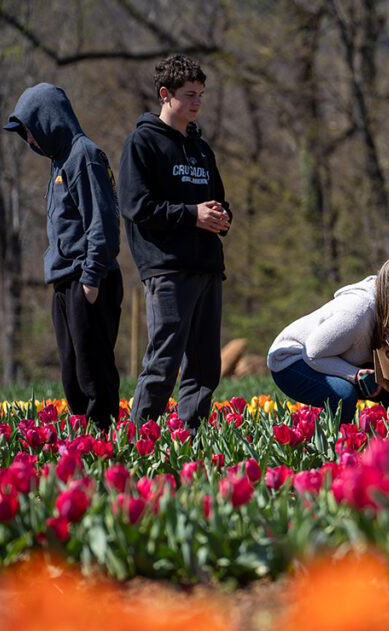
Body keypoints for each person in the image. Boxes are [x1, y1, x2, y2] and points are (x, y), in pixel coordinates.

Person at [119, 54, 232, 431]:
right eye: (189, 95)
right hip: (167, 268)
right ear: (165, 95)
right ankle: (139, 437)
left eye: (201, 94)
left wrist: (221, 217)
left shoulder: (201, 149)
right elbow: (137, 206)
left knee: (204, 365)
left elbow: (217, 198)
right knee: (164, 360)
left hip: (207, 267)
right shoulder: (142, 144)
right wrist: (192, 215)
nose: (197, 102)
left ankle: (191, 437)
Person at [3, 83, 124, 432]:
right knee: (72, 372)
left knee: (93, 371)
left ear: (48, 120)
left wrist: (91, 278)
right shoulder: (59, 163)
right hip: (65, 279)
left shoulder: (83, 156)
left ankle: (105, 440)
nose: (29, 141)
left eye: (30, 130)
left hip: (87, 279)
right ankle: (85, 441)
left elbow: (103, 222)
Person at [267, 256, 389, 424]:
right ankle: (333, 444)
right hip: (292, 361)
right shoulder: (356, 314)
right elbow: (312, 354)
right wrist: (353, 374)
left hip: (337, 357)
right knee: (344, 395)